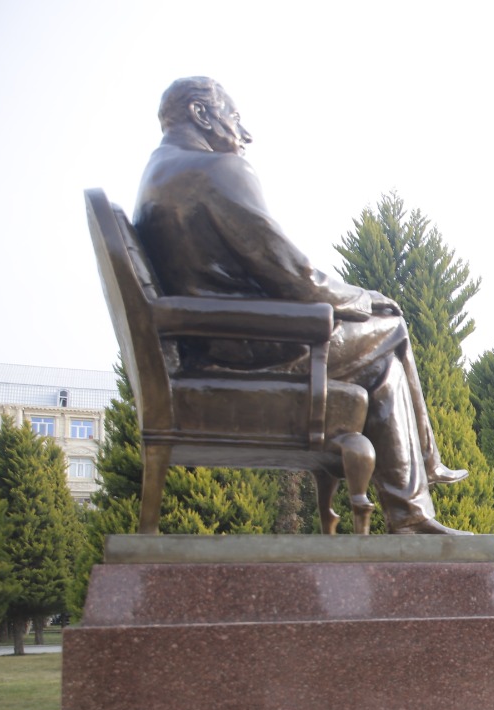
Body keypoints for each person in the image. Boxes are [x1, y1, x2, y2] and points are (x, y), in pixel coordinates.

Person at [133, 77, 467, 534]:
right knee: (392, 323)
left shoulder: (157, 176)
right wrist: (363, 298)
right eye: (234, 117)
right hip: (248, 344)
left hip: (209, 340)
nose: (245, 134)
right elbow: (296, 275)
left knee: (384, 370)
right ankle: (422, 478)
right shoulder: (218, 170)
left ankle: (412, 509)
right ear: (201, 114)